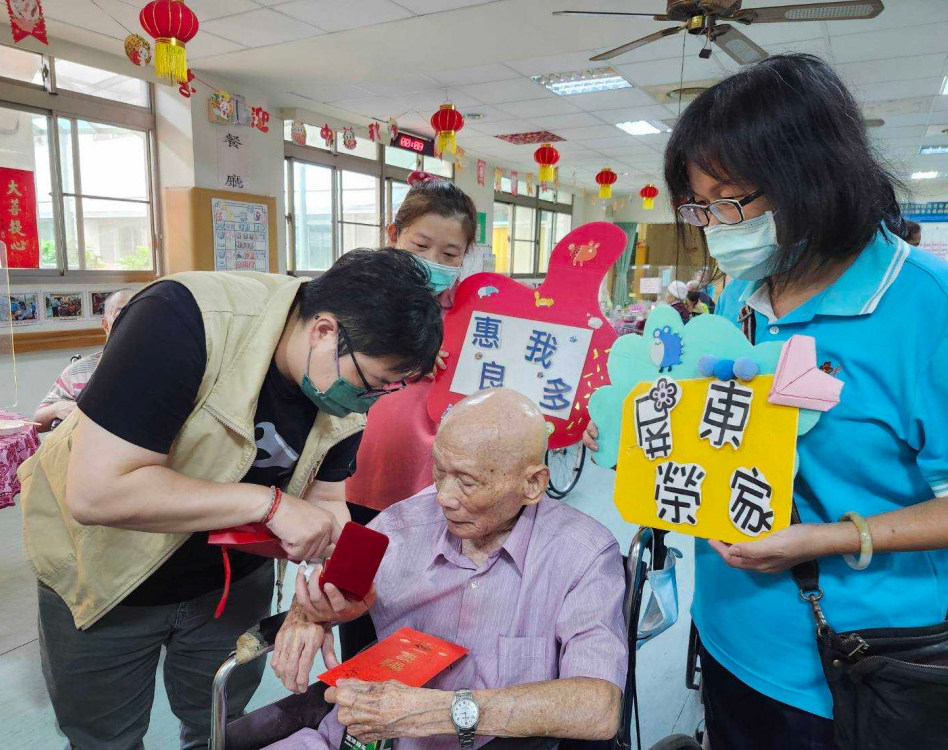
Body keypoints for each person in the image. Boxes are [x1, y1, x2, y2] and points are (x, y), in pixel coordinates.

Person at [586, 53, 948, 749]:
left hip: (858, 661)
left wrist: (830, 538)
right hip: (729, 632)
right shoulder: (739, 291)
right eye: (700, 204)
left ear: (812, 178)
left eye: (732, 199)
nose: (715, 224)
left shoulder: (923, 309)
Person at [19, 249, 443, 750]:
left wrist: (323, 593)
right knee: (104, 737)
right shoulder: (180, 319)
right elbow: (98, 492)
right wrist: (270, 505)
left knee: (218, 726)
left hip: (228, 583)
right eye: (370, 384)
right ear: (325, 331)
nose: (368, 402)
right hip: (103, 572)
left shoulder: (343, 383)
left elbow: (328, 499)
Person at [270, 389, 627, 749]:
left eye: (468, 482)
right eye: (440, 471)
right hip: (358, 737)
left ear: (532, 484)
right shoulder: (401, 525)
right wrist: (306, 615)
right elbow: (332, 585)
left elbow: (600, 707)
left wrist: (442, 712)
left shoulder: (583, 555)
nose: (444, 497)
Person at [342, 171, 477, 657]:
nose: (432, 263)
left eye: (449, 254)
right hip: (352, 488)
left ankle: (419, 724)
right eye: (420, 245)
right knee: (353, 604)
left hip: (435, 494)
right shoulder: (354, 302)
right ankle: (357, 717)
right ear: (392, 236)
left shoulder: (471, 316)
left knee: (427, 614)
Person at [33, 288, 133, 432]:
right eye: (121, 314)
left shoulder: (162, 367)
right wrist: (56, 408)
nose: (131, 321)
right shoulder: (77, 371)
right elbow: (37, 423)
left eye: (138, 315)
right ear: (105, 325)